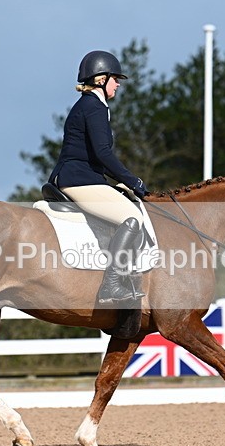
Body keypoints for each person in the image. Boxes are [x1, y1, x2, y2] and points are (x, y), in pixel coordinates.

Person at [48, 50, 149, 304]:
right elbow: (103, 153)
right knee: (133, 216)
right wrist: (132, 179)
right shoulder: (94, 107)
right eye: (115, 79)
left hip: (78, 175)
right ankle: (112, 285)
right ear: (101, 79)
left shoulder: (89, 105)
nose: (118, 84)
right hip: (79, 179)